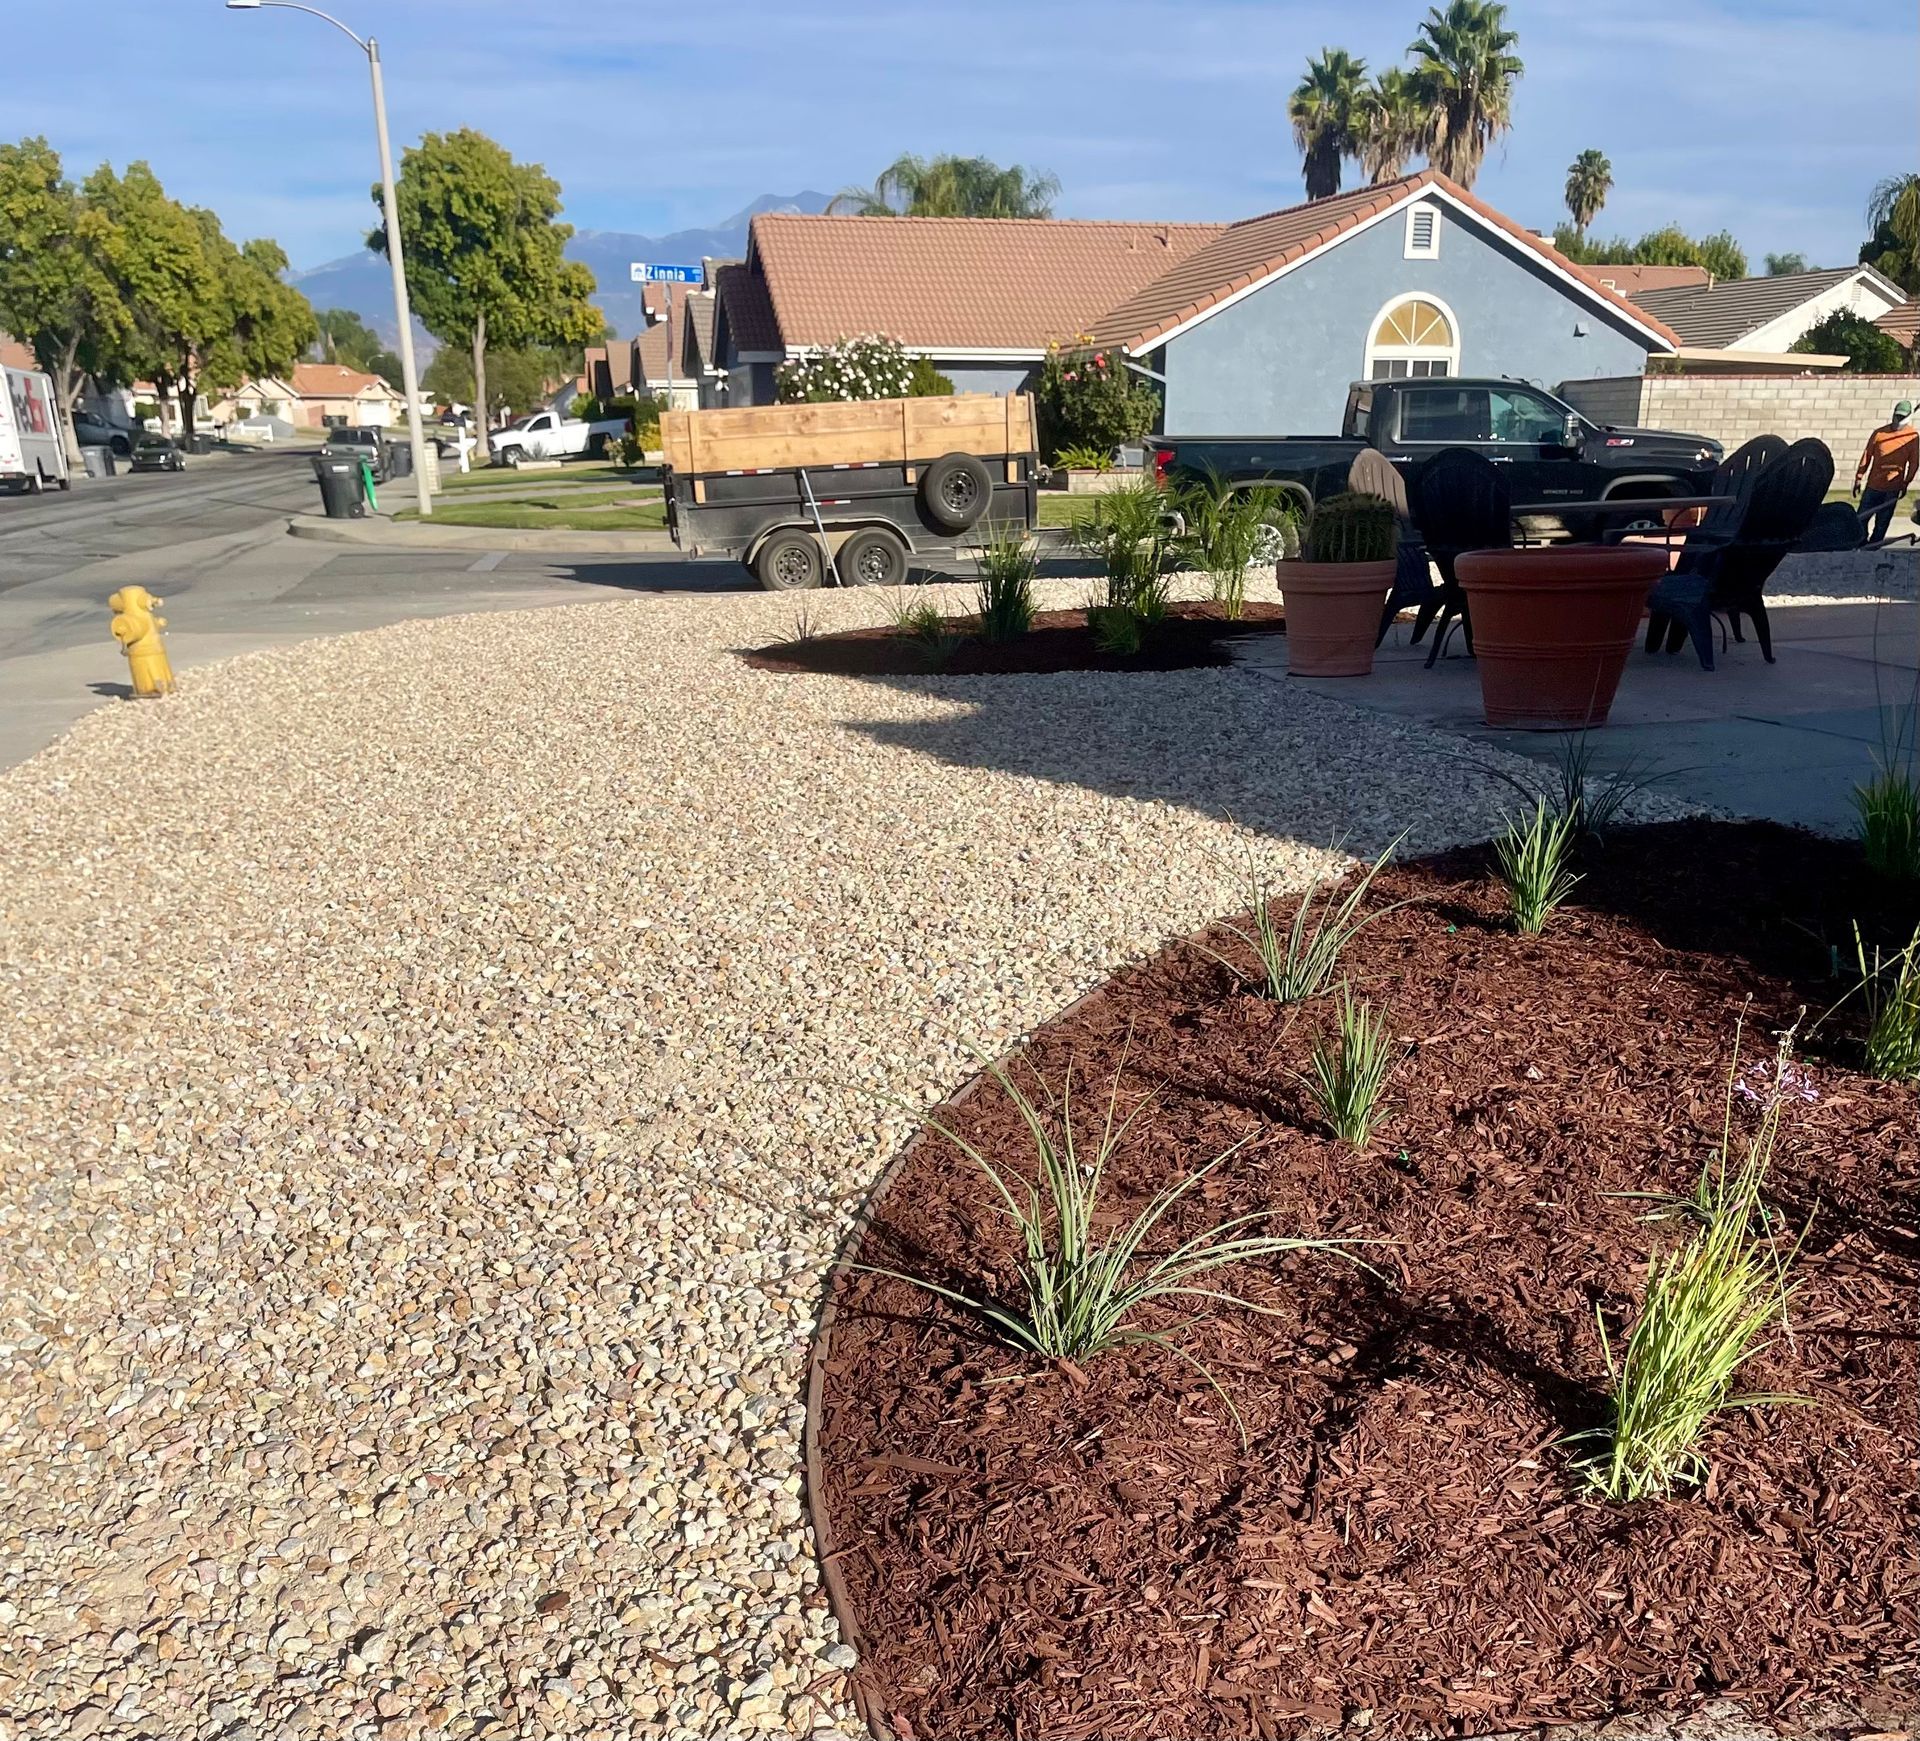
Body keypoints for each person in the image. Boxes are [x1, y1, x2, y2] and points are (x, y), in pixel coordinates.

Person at [1853, 398, 1919, 543]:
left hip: (1892, 489)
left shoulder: (1912, 437)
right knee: (1861, 518)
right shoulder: (1879, 434)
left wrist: (1905, 483)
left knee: (1882, 522)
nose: (1898, 420)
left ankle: (1875, 545)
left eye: (1902, 417)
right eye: (1897, 416)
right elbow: (1867, 456)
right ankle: (1861, 542)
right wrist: (1859, 478)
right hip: (1873, 486)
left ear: (1908, 418)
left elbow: (1914, 464)